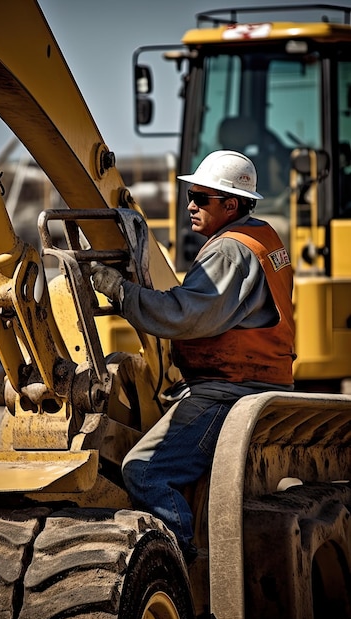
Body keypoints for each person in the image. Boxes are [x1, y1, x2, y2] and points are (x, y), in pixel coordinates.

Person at [91, 149, 296, 564]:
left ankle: (184, 570)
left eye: (202, 198)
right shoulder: (262, 237)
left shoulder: (228, 251)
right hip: (253, 379)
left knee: (145, 472)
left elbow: (184, 315)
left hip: (229, 390)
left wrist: (121, 292)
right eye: (192, 196)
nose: (191, 205)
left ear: (231, 204)